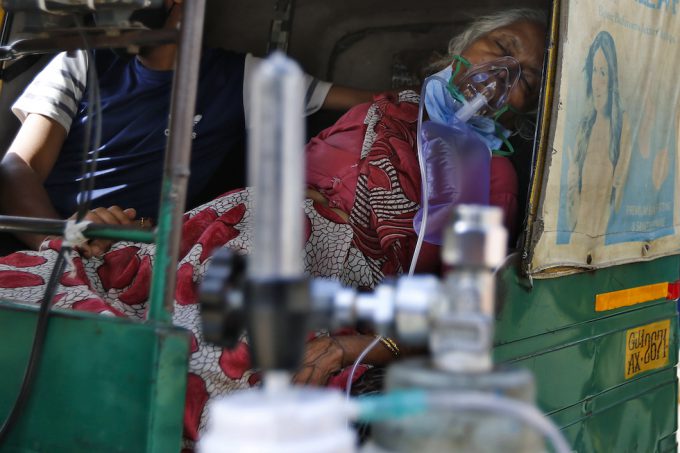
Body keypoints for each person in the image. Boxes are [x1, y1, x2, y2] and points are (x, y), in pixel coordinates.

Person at [0, 7, 547, 447]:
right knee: (55, 284)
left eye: (525, 77)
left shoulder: (491, 177)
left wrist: (353, 345)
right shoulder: (385, 109)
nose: (502, 74)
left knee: (189, 367)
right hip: (221, 235)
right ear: (461, 49)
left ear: (527, 106)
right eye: (501, 49)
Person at [0, 0, 374, 256]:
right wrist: (58, 240)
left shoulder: (241, 78)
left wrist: (428, 94)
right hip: (45, 244)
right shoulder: (81, 61)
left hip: (137, 252)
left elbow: (369, 103)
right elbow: (19, 167)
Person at [565, 30, 625, 241]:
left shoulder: (621, 131)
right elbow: (571, 218)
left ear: (612, 79)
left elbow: (619, 205)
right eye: (594, 71)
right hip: (576, 244)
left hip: (605, 248)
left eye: (603, 72)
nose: (597, 83)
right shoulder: (584, 129)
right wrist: (572, 186)